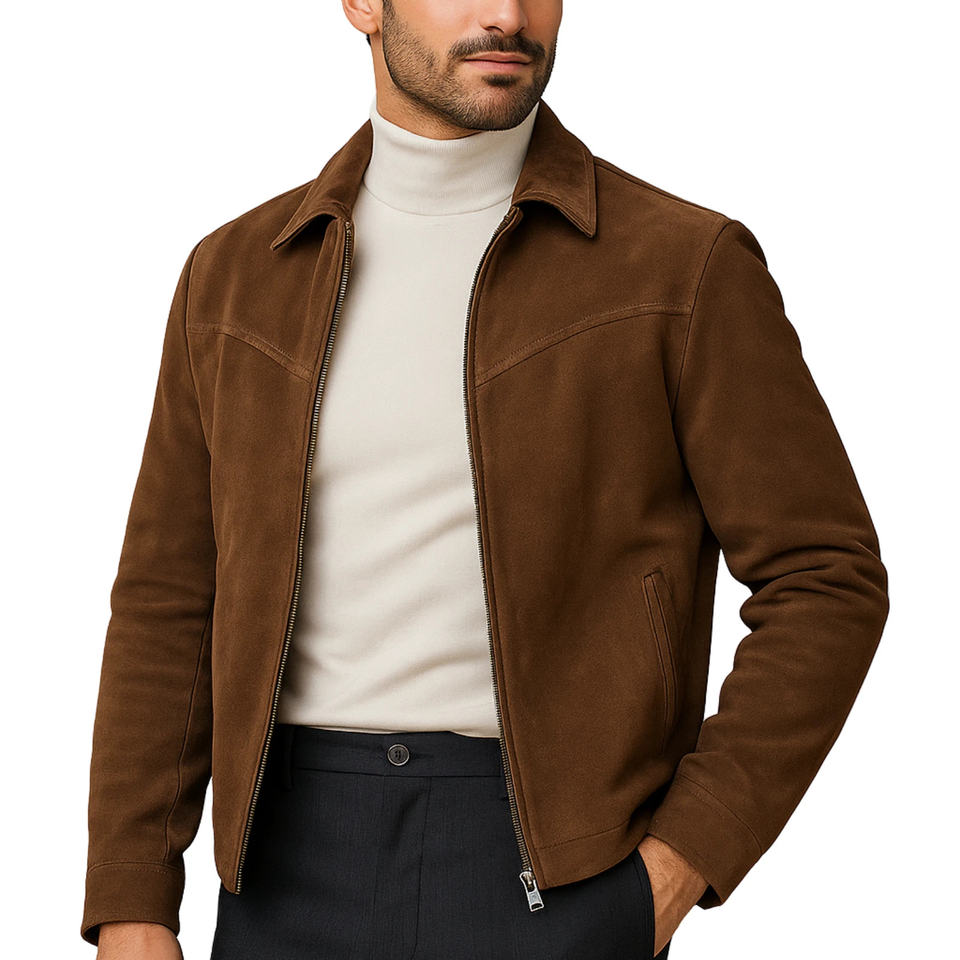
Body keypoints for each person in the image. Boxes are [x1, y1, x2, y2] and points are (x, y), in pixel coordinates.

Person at [81, 1, 890, 957]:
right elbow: (169, 599)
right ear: (362, 4)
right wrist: (131, 897)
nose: (507, 15)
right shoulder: (235, 278)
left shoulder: (681, 267)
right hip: (281, 864)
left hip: (559, 866)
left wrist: (678, 866)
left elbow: (825, 577)